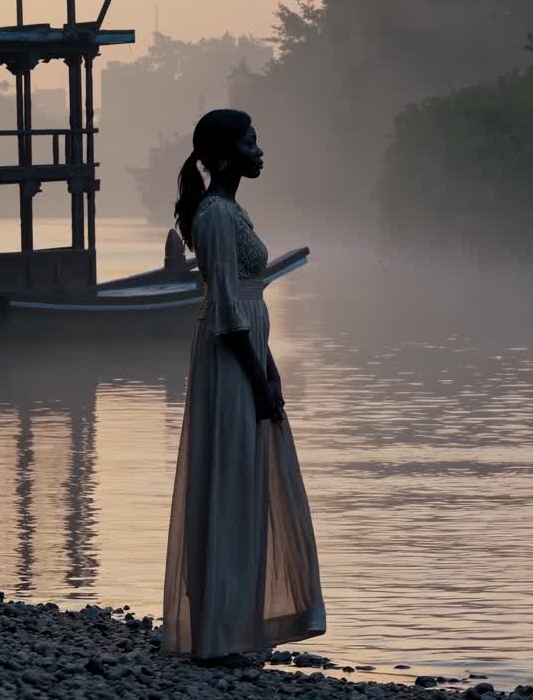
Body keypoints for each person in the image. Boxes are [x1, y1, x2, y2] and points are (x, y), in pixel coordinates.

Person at [161, 109, 326, 666]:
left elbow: (244, 306)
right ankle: (220, 630)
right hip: (229, 362)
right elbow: (227, 307)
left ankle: (238, 624)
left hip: (246, 358)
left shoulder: (231, 211)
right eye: (252, 142)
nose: (261, 150)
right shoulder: (214, 216)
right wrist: (258, 378)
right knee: (231, 481)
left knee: (249, 482)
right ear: (228, 154)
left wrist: (270, 367)